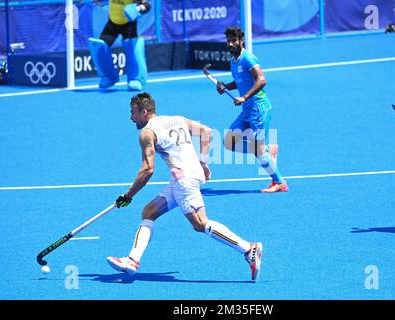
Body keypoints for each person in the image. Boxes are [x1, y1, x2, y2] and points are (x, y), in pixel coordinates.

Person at [107, 92, 263, 281]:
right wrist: (203, 162)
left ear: (144, 112)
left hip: (184, 179)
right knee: (149, 212)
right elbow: (206, 132)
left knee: (200, 223)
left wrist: (128, 195)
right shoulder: (177, 119)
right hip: (187, 175)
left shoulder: (147, 133)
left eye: (133, 113)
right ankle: (132, 260)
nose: (131, 118)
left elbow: (147, 170)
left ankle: (248, 249)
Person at [216, 26, 288, 193]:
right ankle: (269, 151)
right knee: (229, 142)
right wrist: (226, 86)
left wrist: (244, 97)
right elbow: (240, 81)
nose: (230, 44)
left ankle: (280, 183)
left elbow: (261, 80)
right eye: (228, 41)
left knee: (258, 149)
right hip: (247, 110)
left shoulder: (248, 58)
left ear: (241, 41)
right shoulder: (233, 61)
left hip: (258, 109)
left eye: (234, 40)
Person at [88, 0, 150, 90]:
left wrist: (138, 8)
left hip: (129, 24)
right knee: (101, 47)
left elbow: (146, 6)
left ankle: (135, 79)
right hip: (112, 23)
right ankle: (109, 77)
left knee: (132, 48)